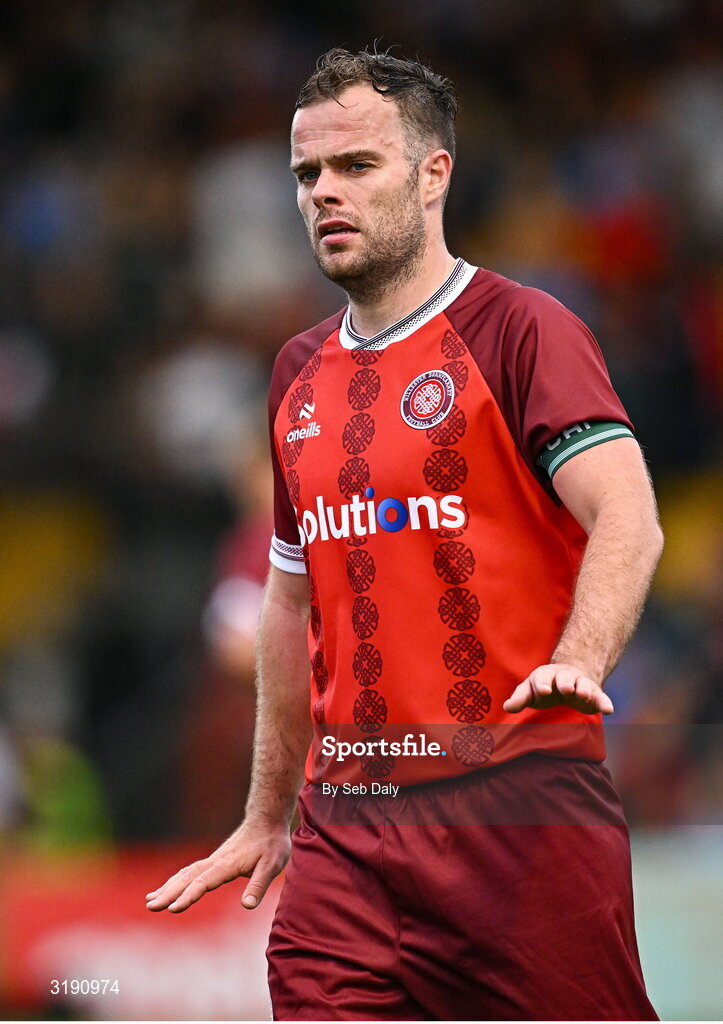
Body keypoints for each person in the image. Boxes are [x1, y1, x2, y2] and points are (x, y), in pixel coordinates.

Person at [147, 48, 663, 1021]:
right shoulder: (295, 374)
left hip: (516, 811)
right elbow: (289, 599)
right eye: (307, 175)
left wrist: (581, 654)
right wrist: (267, 813)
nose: (323, 195)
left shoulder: (521, 329)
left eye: (355, 166)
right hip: (346, 833)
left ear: (435, 175)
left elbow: (627, 511)